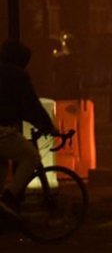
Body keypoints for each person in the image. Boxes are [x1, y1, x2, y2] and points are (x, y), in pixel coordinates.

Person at [0, 39, 56, 218]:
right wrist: (47, 125)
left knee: (1, 167)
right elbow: (30, 104)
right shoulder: (17, 76)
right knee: (31, 156)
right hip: (3, 129)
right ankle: (11, 196)